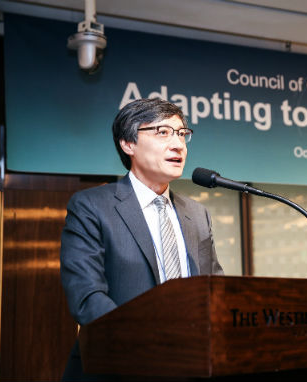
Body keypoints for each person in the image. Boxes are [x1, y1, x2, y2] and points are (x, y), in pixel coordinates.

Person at [60, 98, 224, 380]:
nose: (178, 144)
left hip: (192, 367)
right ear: (128, 144)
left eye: (182, 134)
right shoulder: (92, 206)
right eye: (163, 132)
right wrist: (154, 348)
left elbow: (216, 292)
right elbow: (87, 297)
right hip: (117, 367)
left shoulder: (198, 215)